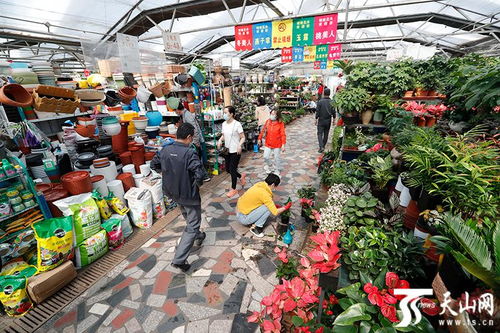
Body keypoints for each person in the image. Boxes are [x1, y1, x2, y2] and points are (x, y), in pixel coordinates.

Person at [150, 123, 205, 272]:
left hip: (172, 192)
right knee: (192, 221)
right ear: (188, 137)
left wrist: (168, 174)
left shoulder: (165, 149)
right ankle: (179, 259)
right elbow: (199, 174)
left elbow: (153, 164)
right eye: (192, 137)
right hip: (188, 193)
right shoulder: (189, 152)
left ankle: (198, 234)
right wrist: (196, 183)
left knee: (188, 215)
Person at [236, 173, 292, 238]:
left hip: (239, 211)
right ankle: (256, 228)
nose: (275, 188)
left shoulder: (259, 184)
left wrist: (275, 206)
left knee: (267, 205)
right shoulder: (265, 194)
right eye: (275, 186)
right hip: (243, 218)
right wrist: (286, 207)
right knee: (267, 208)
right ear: (273, 184)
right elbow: (275, 212)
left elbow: (262, 200)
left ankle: (252, 220)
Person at [175, 100, 210, 182]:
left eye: (175, 110)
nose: (175, 112)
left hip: (194, 141)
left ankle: (204, 176)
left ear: (177, 109)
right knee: (195, 159)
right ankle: (202, 176)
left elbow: (195, 130)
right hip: (192, 141)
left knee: (196, 159)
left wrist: (196, 142)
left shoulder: (187, 116)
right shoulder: (185, 115)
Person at [218, 106, 246, 198]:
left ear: (232, 114)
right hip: (227, 150)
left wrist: (239, 145)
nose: (224, 114)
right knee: (228, 169)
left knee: (233, 170)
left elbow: (243, 137)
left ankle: (233, 189)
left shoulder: (237, 124)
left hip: (235, 150)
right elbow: (224, 135)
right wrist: (219, 140)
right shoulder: (224, 124)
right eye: (224, 112)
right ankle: (241, 176)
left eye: (226, 112)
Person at [258, 109, 286, 176]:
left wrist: (283, 144)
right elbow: (263, 131)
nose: (272, 115)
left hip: (277, 144)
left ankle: (277, 169)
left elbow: (283, 134)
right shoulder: (268, 121)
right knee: (265, 157)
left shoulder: (280, 123)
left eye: (274, 114)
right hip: (268, 143)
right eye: (271, 113)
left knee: (277, 158)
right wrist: (259, 138)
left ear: (277, 116)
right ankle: (270, 164)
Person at [316, 87, 334, 153]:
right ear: (329, 94)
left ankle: (321, 147)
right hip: (328, 120)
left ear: (324, 93)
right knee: (326, 133)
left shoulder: (320, 101)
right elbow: (333, 111)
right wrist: (334, 119)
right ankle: (323, 145)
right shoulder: (332, 102)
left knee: (319, 133)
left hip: (321, 119)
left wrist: (316, 118)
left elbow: (317, 111)